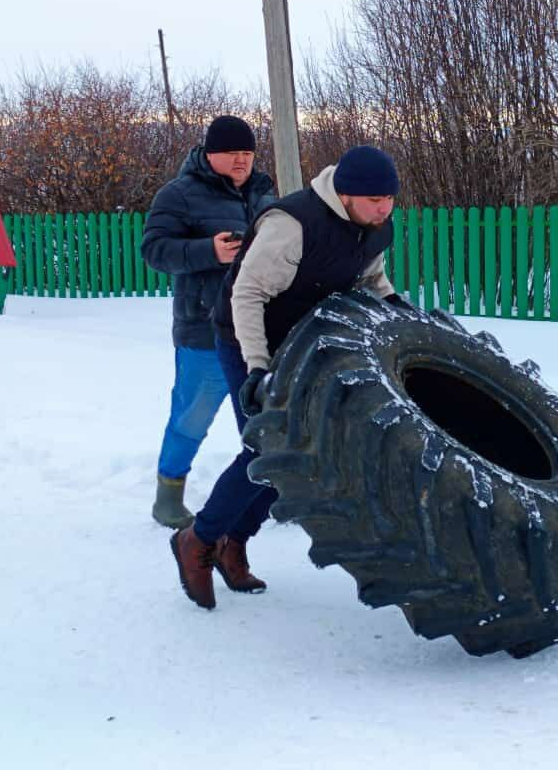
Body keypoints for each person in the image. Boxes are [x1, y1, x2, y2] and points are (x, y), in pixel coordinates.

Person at [169, 145, 406, 609]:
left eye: (389, 199)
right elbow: (246, 293)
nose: (384, 209)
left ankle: (233, 541)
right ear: (345, 194)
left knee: (293, 457)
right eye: (374, 200)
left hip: (303, 343)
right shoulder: (293, 225)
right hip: (246, 338)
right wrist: (257, 367)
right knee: (267, 448)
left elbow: (371, 279)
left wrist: (399, 311)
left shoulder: (375, 226)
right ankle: (197, 540)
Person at [141, 115, 277, 529]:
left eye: (248, 152)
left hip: (259, 332)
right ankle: (168, 496)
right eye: (232, 152)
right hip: (204, 330)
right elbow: (154, 250)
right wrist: (209, 252)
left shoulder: (264, 193)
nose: (241, 160)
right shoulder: (179, 194)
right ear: (210, 153)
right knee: (192, 417)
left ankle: (269, 494)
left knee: (266, 419)